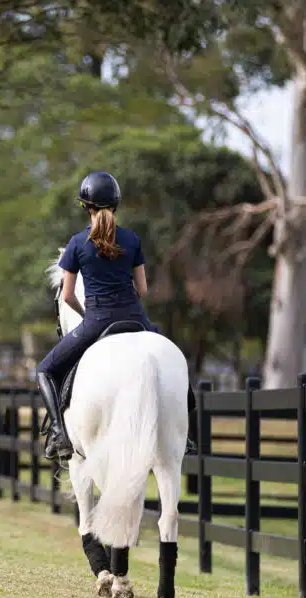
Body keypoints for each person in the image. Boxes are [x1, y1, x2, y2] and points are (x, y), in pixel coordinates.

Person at [36, 170, 197, 463]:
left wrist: (89, 317)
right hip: (137, 319)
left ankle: (59, 433)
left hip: (96, 320)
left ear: (85, 206)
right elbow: (143, 289)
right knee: (175, 362)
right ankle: (185, 434)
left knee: (45, 370)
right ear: (116, 204)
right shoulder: (131, 239)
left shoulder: (76, 243)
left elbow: (69, 295)